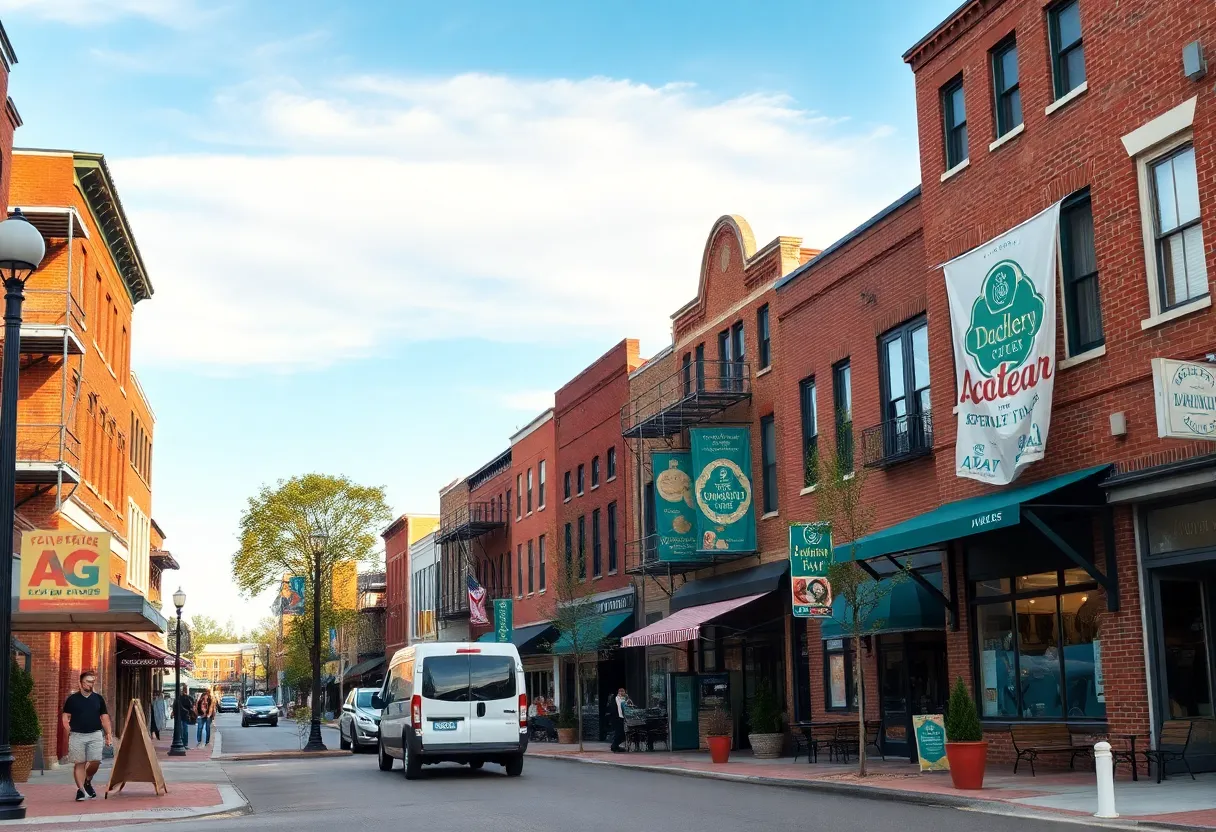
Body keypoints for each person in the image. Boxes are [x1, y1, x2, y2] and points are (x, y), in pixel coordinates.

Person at [61, 670, 112, 802]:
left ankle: (87, 781)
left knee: (96, 761)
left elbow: (104, 717)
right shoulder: (72, 699)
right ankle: (81, 791)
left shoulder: (98, 699)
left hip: (95, 734)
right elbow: (65, 716)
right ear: (80, 683)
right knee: (80, 763)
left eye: (92, 682)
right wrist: (68, 729)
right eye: (88, 681)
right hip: (77, 735)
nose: (91, 684)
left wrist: (108, 734)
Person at [174, 684, 195, 749]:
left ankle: (183, 743)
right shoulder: (187, 698)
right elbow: (192, 706)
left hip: (182, 715)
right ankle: (184, 743)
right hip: (184, 715)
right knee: (183, 730)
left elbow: (192, 706)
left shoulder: (181, 698)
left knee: (182, 729)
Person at [610, 687, 629, 753]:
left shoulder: (624, 699)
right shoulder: (616, 699)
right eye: (620, 691)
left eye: (623, 691)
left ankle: (615, 746)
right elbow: (614, 708)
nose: (621, 693)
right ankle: (614, 746)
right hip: (617, 718)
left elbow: (626, 706)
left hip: (622, 718)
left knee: (621, 733)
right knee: (619, 732)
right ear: (618, 692)